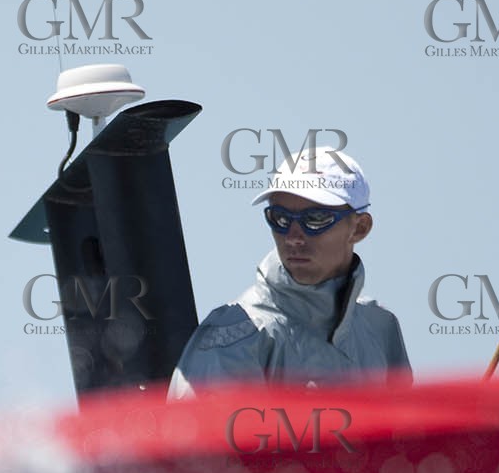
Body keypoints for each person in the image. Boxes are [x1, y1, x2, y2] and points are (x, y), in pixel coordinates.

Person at [167, 148, 411, 399]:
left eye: (315, 218)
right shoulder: (235, 332)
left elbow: (407, 433)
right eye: (280, 218)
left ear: (360, 228)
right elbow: (201, 436)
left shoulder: (381, 328)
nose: (293, 237)